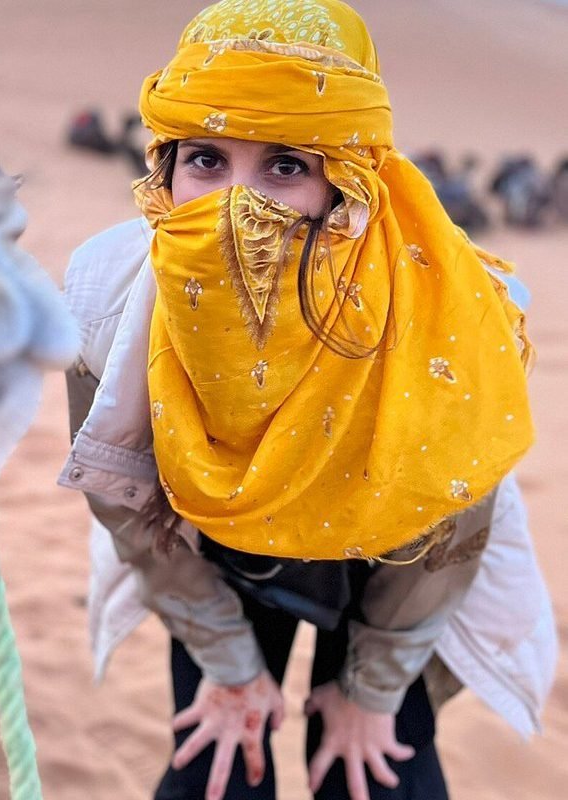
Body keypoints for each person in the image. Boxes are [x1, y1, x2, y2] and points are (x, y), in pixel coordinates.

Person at [59, 2, 553, 799]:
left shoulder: (451, 311)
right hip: (210, 559)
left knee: (376, 773)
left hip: (393, 563)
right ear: (165, 170)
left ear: (346, 181)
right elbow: (124, 499)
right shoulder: (110, 298)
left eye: (286, 165)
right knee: (218, 769)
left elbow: (451, 526)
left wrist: (371, 692)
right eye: (206, 160)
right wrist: (227, 667)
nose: (235, 204)